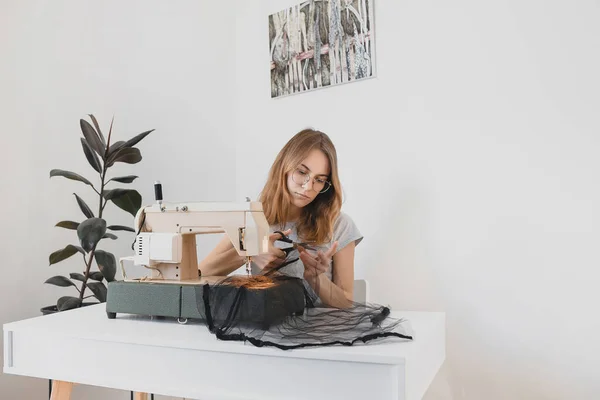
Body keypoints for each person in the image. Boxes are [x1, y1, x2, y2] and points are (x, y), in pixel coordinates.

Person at [198, 129, 363, 309]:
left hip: (317, 332)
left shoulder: (340, 225)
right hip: (264, 325)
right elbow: (199, 274)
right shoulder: (250, 218)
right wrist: (250, 252)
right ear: (283, 167)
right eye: (301, 172)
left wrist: (316, 279)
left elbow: (346, 303)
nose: (308, 187)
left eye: (319, 180)